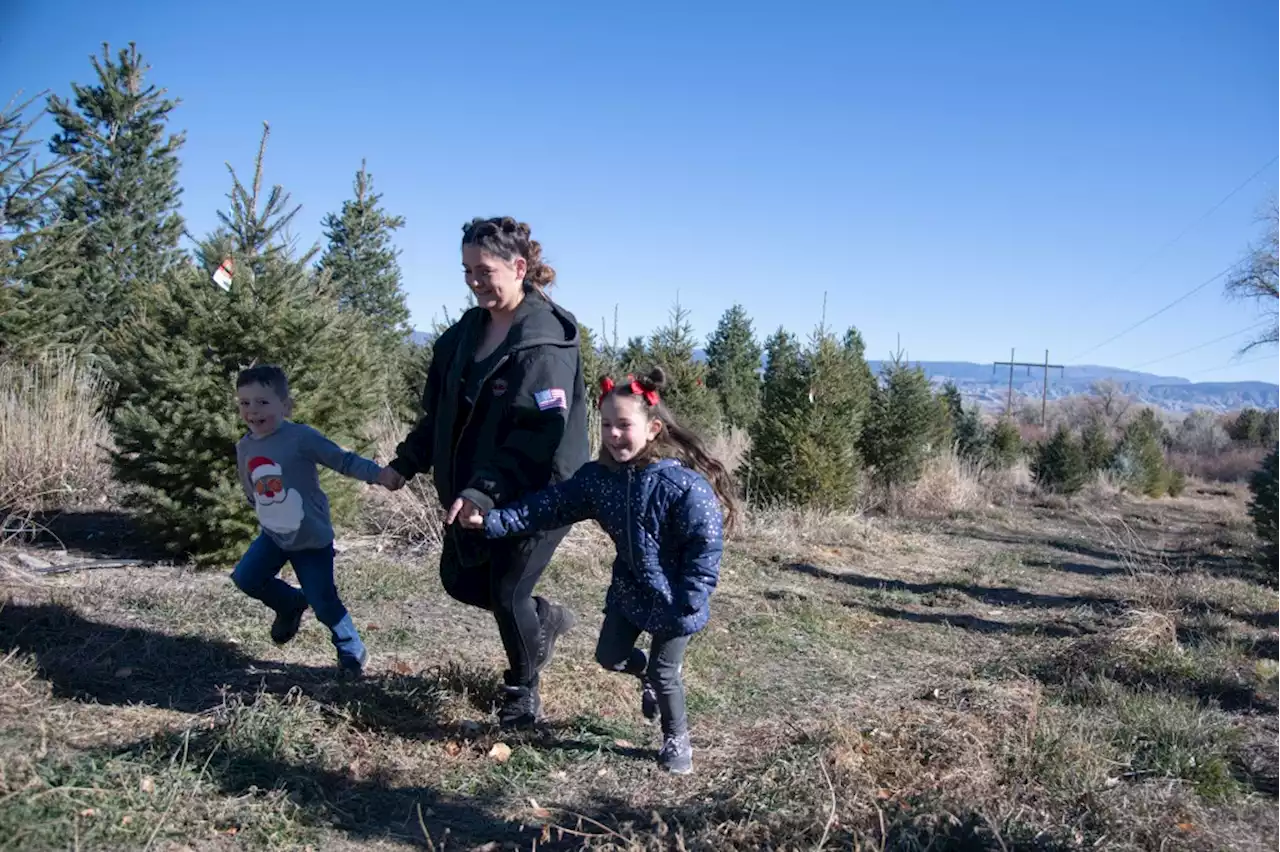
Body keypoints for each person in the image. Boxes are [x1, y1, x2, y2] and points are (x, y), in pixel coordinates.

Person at [457, 368, 737, 774]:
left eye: (625, 425)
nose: (613, 434)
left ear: (653, 428)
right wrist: (495, 520)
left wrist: (692, 597)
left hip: (677, 597)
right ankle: (647, 677)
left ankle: (677, 738)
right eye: (606, 424)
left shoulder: (683, 486)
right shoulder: (599, 480)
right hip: (630, 589)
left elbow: (705, 546)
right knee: (609, 656)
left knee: (665, 670)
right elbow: (547, 506)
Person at [381, 216, 589, 728]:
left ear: (520, 268)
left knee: (506, 592)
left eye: (485, 269)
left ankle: (522, 691)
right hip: (475, 489)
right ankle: (545, 620)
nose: (474, 280)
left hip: (542, 489)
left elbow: (538, 436)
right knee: (459, 580)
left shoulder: (544, 342)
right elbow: (441, 415)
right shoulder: (462, 337)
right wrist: (405, 464)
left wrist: (485, 491)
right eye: (466, 270)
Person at [230, 364, 401, 676]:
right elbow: (249, 483)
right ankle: (290, 604)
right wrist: (258, 506)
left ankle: (351, 650)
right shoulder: (246, 445)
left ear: (285, 405)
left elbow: (342, 459)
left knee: (323, 602)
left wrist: (379, 475)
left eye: (263, 402)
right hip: (274, 535)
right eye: (245, 403)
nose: (253, 411)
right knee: (246, 578)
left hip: (310, 537)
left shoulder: (300, 437)